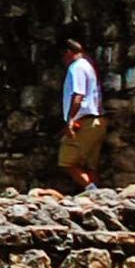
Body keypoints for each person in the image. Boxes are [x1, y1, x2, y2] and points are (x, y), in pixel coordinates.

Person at [58, 39, 107, 193]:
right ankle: (99, 195)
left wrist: (70, 120)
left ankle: (93, 191)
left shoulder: (76, 67)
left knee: (67, 162)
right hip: (97, 121)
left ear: (68, 53)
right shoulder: (88, 65)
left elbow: (78, 94)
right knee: (89, 165)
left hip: (83, 122)